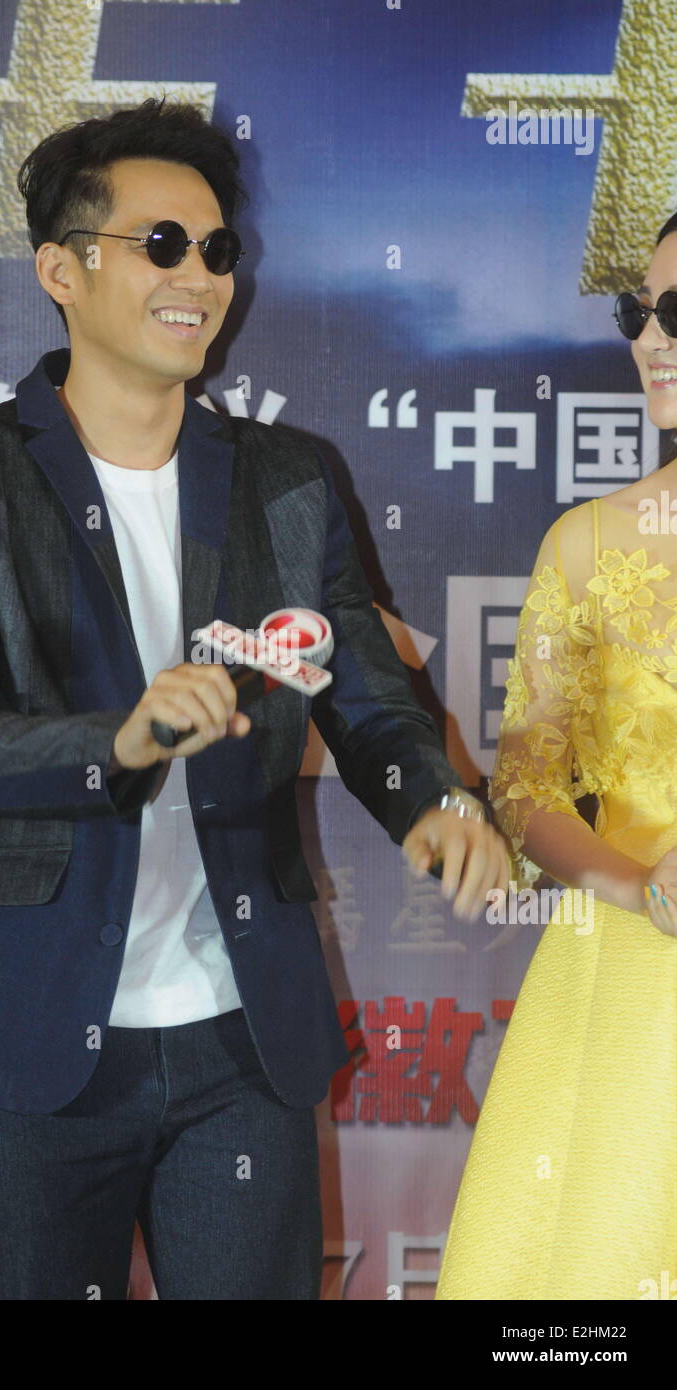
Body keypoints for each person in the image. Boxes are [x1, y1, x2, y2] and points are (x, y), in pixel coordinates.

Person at [0, 97, 508, 1301]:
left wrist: (433, 803)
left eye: (216, 249)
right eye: (160, 244)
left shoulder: (286, 479)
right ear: (60, 269)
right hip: (30, 1033)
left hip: (238, 1037)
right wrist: (116, 739)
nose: (199, 277)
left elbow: (364, 697)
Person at [435, 213, 677, 1301]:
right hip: (627, 967)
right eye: (639, 312)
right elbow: (522, 786)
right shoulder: (584, 544)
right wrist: (635, 885)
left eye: (676, 313)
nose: (648, 340)